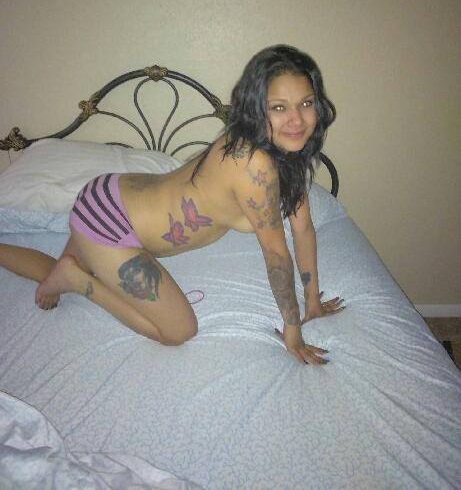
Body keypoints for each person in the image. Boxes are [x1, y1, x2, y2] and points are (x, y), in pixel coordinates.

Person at [0, 45, 344, 365]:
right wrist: (293, 332)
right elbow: (276, 255)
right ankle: (78, 281)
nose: (297, 120)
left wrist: (312, 301)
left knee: (53, 272)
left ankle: (59, 270)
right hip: (111, 222)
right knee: (178, 331)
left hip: (109, 196)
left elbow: (303, 228)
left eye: (306, 103)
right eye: (279, 107)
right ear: (256, 108)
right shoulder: (255, 163)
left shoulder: (288, 153)